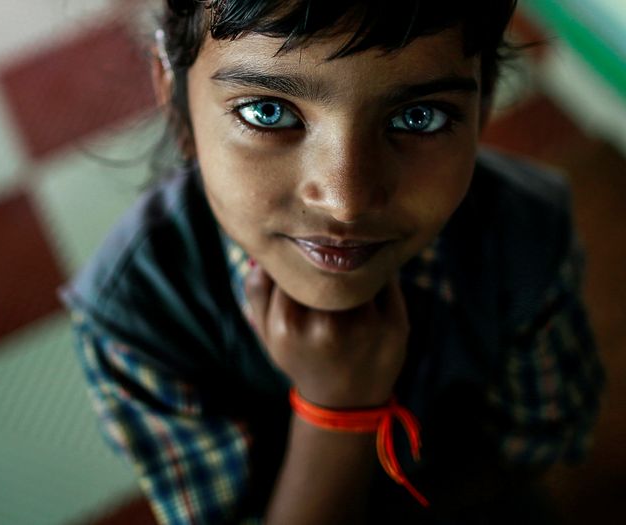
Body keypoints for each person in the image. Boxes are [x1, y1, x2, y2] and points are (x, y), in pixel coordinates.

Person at [60, 1, 605, 523]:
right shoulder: (136, 316)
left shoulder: (527, 232)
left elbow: (544, 439)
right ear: (172, 92)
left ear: (482, 105)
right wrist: (338, 411)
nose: (346, 201)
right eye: (267, 112)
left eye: (419, 117)